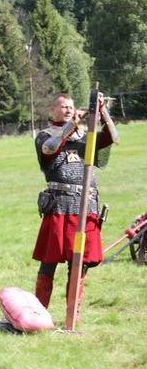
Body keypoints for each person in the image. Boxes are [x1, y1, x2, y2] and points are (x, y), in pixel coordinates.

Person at [32, 92, 118, 322]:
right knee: (49, 262)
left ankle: (72, 315)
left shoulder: (86, 138)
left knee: (80, 265)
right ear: (53, 110)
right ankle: (40, 315)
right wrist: (73, 122)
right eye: (63, 107)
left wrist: (101, 111)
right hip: (60, 205)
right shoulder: (46, 135)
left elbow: (114, 136)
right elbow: (50, 149)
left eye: (71, 107)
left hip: (86, 206)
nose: (68, 110)